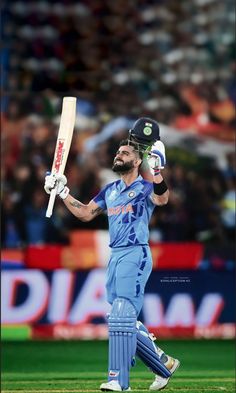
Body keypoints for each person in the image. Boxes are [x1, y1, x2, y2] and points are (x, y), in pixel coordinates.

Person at [44, 117, 180, 391]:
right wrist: (62, 192)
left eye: (125, 153)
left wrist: (158, 171)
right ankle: (162, 364)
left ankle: (119, 381)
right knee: (121, 318)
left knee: (121, 313)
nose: (119, 155)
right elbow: (84, 213)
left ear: (136, 161)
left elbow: (163, 199)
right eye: (118, 152)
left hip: (136, 253)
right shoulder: (111, 190)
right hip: (115, 255)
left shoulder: (143, 187)